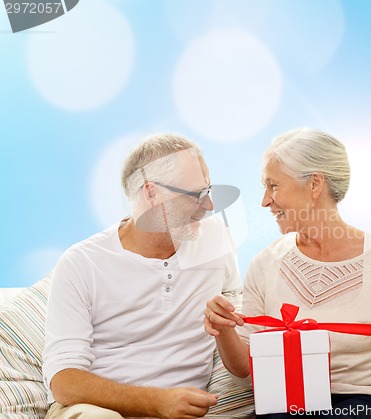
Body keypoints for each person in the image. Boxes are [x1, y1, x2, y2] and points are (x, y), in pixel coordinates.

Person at [204, 128, 371, 418]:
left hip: (364, 407)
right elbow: (246, 373)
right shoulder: (265, 264)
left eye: (273, 186)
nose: (264, 200)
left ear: (314, 184)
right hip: (289, 406)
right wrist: (223, 330)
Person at [43, 133, 241, 419]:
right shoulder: (82, 263)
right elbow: (63, 380)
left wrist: (225, 325)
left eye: (209, 190)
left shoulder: (216, 243)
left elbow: (241, 345)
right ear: (151, 193)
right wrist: (156, 402)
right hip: (98, 409)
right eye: (197, 194)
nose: (209, 205)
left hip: (183, 411)